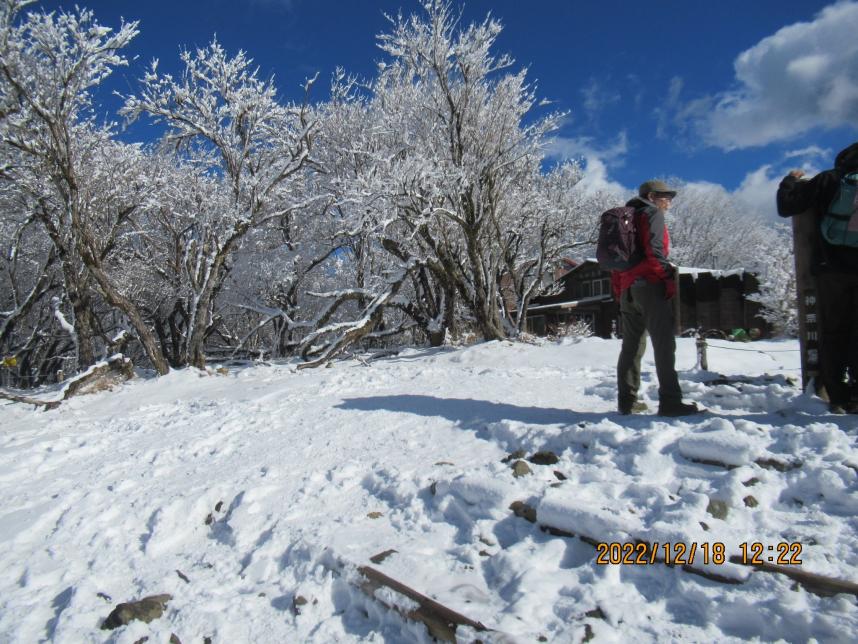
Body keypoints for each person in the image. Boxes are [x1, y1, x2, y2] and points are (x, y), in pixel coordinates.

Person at [776, 142, 858, 414]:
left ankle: (837, 395)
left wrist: (789, 181)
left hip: (831, 269)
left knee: (834, 331)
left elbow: (787, 206)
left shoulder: (829, 179)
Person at [614, 180, 701, 416]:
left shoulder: (625, 218)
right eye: (665, 197)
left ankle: (627, 402)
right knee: (664, 345)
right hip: (649, 286)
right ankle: (671, 401)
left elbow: (615, 263)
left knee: (631, 347)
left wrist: (621, 291)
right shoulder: (651, 214)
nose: (669, 202)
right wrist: (667, 279)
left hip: (627, 289)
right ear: (651, 196)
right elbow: (655, 251)